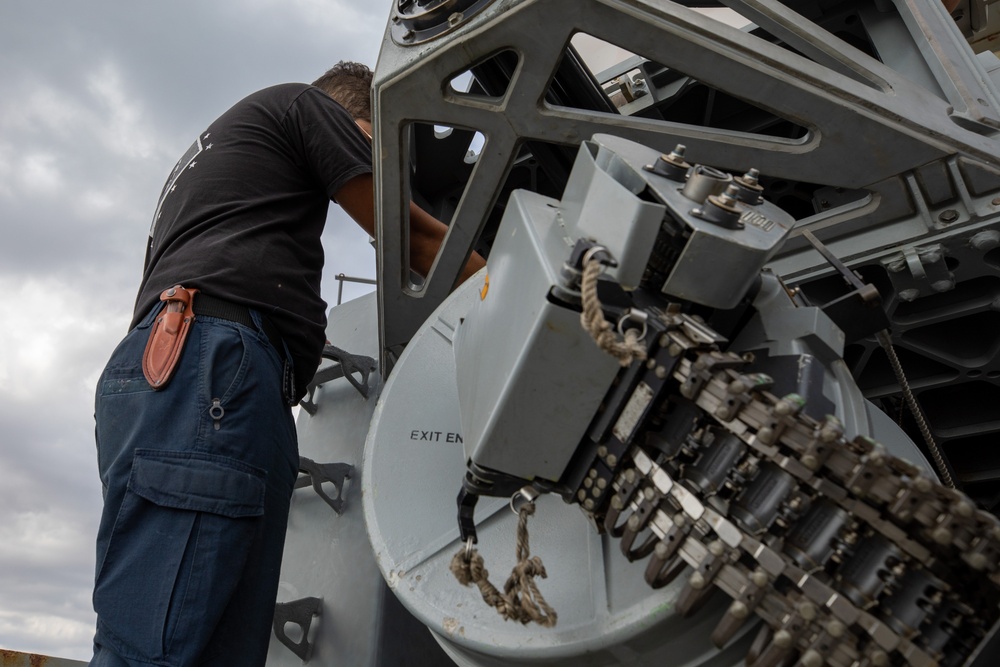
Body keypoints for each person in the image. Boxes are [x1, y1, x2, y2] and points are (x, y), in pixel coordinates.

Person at [90, 61, 484, 667]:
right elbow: (420, 242)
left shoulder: (209, 163)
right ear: (359, 123)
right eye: (375, 152)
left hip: (176, 378)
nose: (375, 170)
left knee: (201, 641)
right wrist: (523, 291)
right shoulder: (305, 106)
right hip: (214, 370)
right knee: (164, 650)